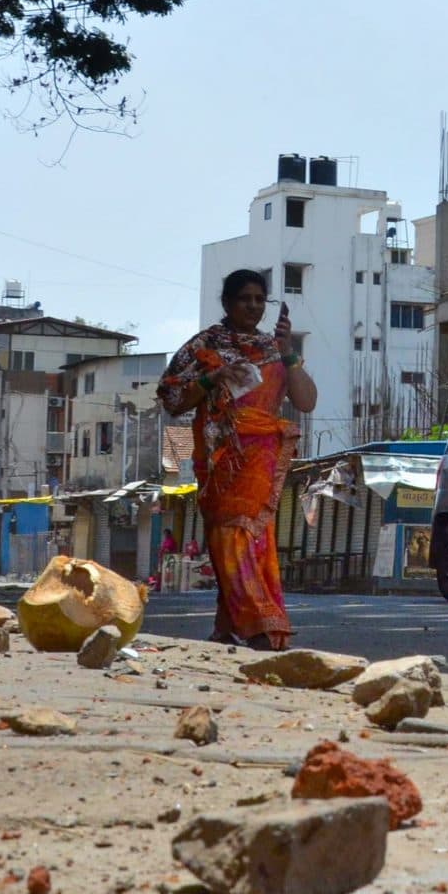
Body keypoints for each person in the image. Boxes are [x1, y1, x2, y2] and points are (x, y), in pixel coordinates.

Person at [159, 269, 319, 650]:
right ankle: (236, 622)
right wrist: (212, 379)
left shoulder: (274, 349)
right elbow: (172, 400)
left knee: (246, 532)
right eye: (244, 299)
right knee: (226, 533)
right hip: (219, 457)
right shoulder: (204, 346)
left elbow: (307, 402)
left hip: (260, 453)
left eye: (259, 299)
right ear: (227, 303)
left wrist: (290, 356)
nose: (252, 306)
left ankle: (259, 621)